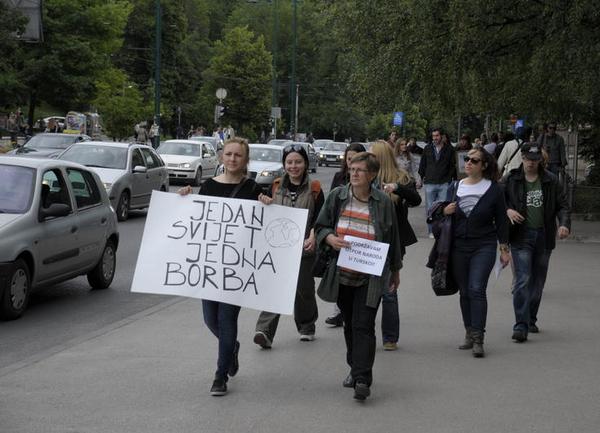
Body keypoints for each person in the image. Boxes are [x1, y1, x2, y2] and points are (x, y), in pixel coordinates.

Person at [178, 137, 268, 396]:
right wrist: (183, 198)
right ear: (221, 157)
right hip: (210, 266)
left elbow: (266, 226)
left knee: (226, 319)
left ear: (245, 159)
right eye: (228, 154)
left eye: (238, 155)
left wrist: (267, 204)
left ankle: (220, 375)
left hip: (236, 269)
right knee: (210, 319)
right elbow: (197, 219)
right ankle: (232, 348)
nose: (232, 159)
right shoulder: (208, 186)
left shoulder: (253, 189)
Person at [315, 152, 401, 401]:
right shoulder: (337, 197)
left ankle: (363, 378)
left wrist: (395, 270)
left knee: (363, 325)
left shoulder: (383, 202)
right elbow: (321, 226)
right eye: (352, 169)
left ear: (372, 175)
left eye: (360, 170)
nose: (353, 173)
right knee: (351, 325)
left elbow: (392, 238)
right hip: (341, 275)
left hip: (371, 277)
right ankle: (355, 368)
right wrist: (329, 238)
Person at [438, 148, 510, 357]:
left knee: (477, 288)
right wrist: (445, 210)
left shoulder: (494, 189)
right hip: (458, 246)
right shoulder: (455, 186)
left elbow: (502, 221)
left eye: (474, 160)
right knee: (465, 291)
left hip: (484, 245)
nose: (468, 163)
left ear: (484, 165)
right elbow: (440, 213)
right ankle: (469, 332)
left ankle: (479, 338)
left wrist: (504, 249)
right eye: (467, 159)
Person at [253, 144, 324, 348]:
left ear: (305, 164)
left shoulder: (315, 189)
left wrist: (313, 236)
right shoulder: (275, 186)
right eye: (290, 162)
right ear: (284, 164)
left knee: (303, 290)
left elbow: (321, 219)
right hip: (278, 248)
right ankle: (264, 331)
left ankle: (307, 326)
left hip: (304, 248)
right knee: (275, 287)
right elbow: (265, 212)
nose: (294, 166)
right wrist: (264, 201)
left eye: (298, 162)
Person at [502, 142, 570, 342]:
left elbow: (563, 205)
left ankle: (530, 318)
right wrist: (508, 210)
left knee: (538, 282)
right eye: (528, 159)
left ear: (540, 160)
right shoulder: (511, 179)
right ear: (522, 158)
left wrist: (564, 224)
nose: (531, 163)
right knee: (522, 280)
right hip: (521, 236)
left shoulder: (550, 180)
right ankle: (520, 325)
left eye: (535, 160)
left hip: (544, 235)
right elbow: (499, 200)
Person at [370, 140, 421, 351]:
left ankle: (390, 337)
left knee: (389, 289)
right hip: (368, 240)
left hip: (393, 242)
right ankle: (364, 330)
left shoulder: (401, 178)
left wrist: (398, 188)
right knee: (367, 288)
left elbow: (416, 199)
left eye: (372, 154)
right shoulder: (367, 178)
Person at [325, 142, 366, 327]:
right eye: (349, 159)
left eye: (357, 160)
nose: (352, 165)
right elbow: (330, 209)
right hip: (341, 237)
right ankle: (339, 312)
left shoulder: (375, 192)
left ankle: (356, 313)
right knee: (340, 273)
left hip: (363, 243)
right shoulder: (339, 180)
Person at [418, 128, 457, 237]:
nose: (435, 138)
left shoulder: (449, 149)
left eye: (437, 136)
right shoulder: (427, 148)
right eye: (433, 136)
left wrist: (451, 179)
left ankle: (441, 229)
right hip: (430, 182)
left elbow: (453, 166)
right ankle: (431, 231)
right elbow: (423, 164)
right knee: (430, 208)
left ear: (442, 136)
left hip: (444, 182)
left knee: (443, 208)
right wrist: (420, 179)